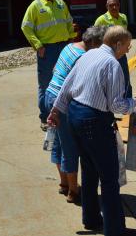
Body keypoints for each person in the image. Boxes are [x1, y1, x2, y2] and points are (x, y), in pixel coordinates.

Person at [48, 26, 136, 236]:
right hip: (94, 122)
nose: (129, 49)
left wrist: (56, 111)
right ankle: (115, 229)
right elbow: (116, 106)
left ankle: (91, 219)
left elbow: (66, 86)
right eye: (127, 45)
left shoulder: (88, 55)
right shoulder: (112, 64)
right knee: (108, 178)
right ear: (117, 44)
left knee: (89, 172)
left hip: (75, 117)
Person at [44, 26, 106, 205]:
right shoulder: (83, 57)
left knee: (58, 142)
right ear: (94, 43)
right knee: (70, 147)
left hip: (50, 94)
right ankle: (73, 191)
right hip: (62, 103)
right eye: (101, 45)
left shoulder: (69, 47)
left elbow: (56, 68)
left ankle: (64, 183)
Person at [21, 0, 77, 131]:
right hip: (48, 50)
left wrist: (73, 35)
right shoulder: (35, 6)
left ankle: (63, 113)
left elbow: (68, 22)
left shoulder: (60, 3)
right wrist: (38, 45)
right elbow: (26, 27)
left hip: (64, 47)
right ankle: (45, 117)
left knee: (67, 81)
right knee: (46, 84)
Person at [94, 0, 132, 97]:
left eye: (116, 5)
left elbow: (125, 34)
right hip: (108, 56)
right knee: (110, 79)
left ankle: (128, 101)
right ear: (107, 6)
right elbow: (95, 37)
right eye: (111, 5)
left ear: (119, 5)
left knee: (125, 77)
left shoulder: (123, 17)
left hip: (121, 54)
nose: (114, 7)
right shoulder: (101, 20)